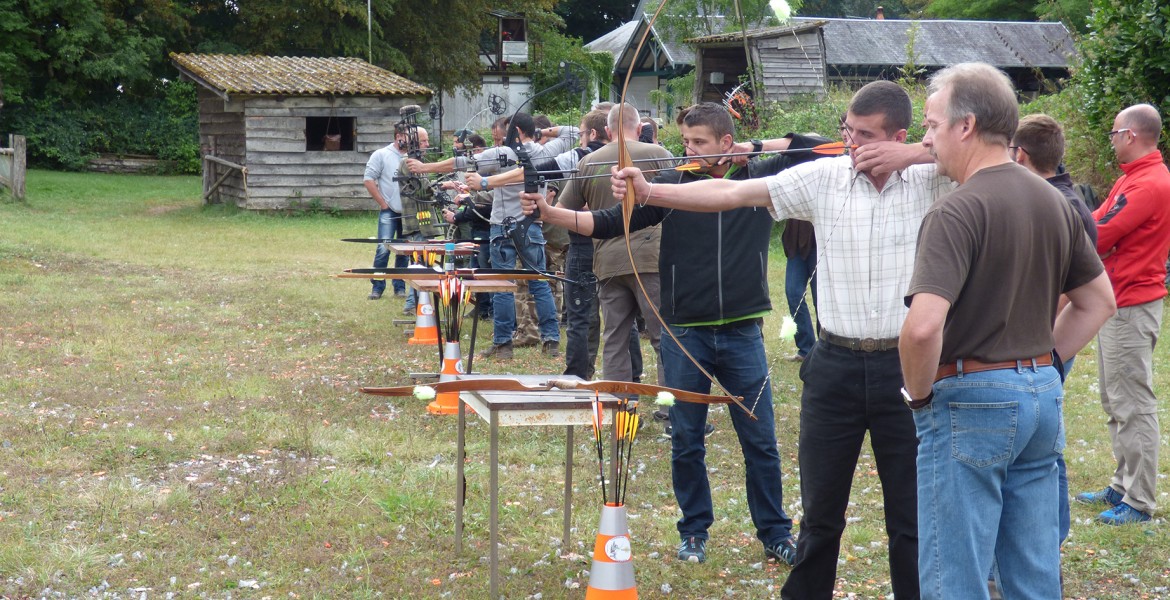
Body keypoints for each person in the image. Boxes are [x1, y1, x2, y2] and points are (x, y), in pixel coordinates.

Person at [610, 82, 951, 599]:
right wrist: (652, 191)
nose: (851, 143)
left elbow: (1001, 147)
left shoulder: (935, 178)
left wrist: (919, 152)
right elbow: (730, 192)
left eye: (865, 135)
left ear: (899, 136)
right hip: (834, 361)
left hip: (903, 365)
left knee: (910, 513)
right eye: (847, 131)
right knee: (820, 513)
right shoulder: (825, 176)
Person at [528, 102, 829, 569]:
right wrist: (552, 212)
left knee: (761, 441)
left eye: (699, 143)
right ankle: (694, 531)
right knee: (687, 439)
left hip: (742, 329)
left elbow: (813, 146)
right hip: (684, 330)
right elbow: (605, 224)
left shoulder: (759, 180)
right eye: (685, 142)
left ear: (727, 144)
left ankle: (774, 532)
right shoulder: (669, 186)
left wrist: (750, 150)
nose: (686, 151)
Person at [900, 62, 1115, 599]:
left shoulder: (956, 211)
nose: (926, 139)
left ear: (965, 125)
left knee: (957, 574)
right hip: (1041, 397)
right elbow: (1098, 302)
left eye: (931, 125)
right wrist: (1047, 363)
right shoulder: (1056, 201)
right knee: (1033, 571)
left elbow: (923, 328)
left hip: (969, 400)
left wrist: (920, 397)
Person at [1008, 113, 1099, 560]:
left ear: (1019, 154)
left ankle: (1049, 536)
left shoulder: (1059, 205)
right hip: (1041, 348)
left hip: (1045, 345)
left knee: (1044, 448)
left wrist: (1045, 353)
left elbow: (1071, 290)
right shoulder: (1063, 197)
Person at [1076, 103, 1170, 525]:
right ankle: (1123, 483)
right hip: (1119, 299)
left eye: (1115, 133)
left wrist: (1064, 226)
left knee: (1132, 402)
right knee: (1114, 398)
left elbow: (1099, 233)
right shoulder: (1133, 178)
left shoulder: (1147, 184)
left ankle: (1139, 500)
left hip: (1132, 302)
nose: (1112, 139)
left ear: (1131, 135)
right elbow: (1098, 222)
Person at [406, 112, 561, 359]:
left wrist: (425, 167)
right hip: (531, 225)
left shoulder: (504, 154)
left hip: (503, 226)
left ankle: (503, 345)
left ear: (518, 132)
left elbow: (459, 163)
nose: (501, 139)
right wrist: (544, 133)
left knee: (502, 286)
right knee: (539, 282)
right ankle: (551, 341)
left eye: (507, 133)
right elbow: (569, 132)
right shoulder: (547, 151)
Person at [557, 103, 672, 387]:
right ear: (641, 128)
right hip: (652, 259)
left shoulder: (589, 161)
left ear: (607, 131)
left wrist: (591, 211)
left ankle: (619, 408)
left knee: (615, 338)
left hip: (607, 261)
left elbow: (564, 211)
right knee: (664, 337)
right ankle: (673, 411)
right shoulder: (660, 155)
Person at [363, 123, 409, 300]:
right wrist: (383, 204)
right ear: (398, 135)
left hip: (408, 212)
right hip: (389, 211)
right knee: (383, 248)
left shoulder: (414, 157)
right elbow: (369, 180)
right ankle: (377, 286)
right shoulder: (381, 154)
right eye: (406, 135)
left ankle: (400, 287)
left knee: (404, 251)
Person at [781, 219, 817, 361]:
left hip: (818, 241)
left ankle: (825, 349)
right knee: (794, 294)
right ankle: (806, 349)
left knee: (821, 299)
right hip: (795, 240)